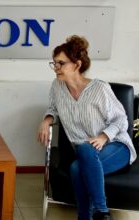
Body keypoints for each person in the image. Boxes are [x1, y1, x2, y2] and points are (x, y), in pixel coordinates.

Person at [37, 35, 137, 220]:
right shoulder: (57, 87)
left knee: (82, 154)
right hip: (86, 153)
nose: (56, 68)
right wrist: (46, 120)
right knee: (77, 165)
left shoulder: (100, 89)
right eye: (54, 63)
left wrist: (103, 137)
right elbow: (52, 108)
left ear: (77, 65)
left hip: (116, 147)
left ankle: (100, 210)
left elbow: (121, 119)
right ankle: (94, 216)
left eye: (61, 63)